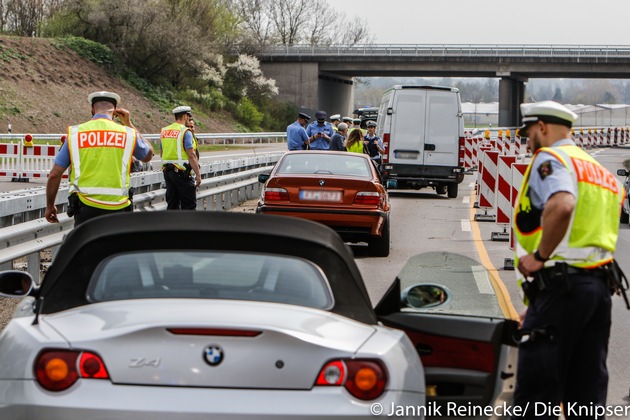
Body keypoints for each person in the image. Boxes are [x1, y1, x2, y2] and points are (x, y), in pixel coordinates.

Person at [511, 100, 625, 419]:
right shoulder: (599, 171)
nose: (527, 139)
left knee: (537, 394)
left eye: (529, 131)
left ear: (542, 127)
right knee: (586, 397)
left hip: (562, 288)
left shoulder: (551, 159)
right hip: (598, 291)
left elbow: (562, 205)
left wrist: (539, 257)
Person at [45, 91, 153, 226]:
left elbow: (55, 174)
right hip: (119, 208)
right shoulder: (128, 134)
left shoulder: (76, 134)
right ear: (115, 112)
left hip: (86, 208)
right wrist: (129, 124)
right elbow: (148, 156)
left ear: (92, 109)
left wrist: (50, 206)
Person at [160, 105, 202, 210]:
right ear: (184, 116)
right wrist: (198, 174)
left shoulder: (164, 131)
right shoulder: (185, 132)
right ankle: (187, 226)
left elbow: (161, 153)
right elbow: (191, 155)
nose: (189, 119)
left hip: (168, 173)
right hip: (182, 174)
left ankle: (173, 226)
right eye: (188, 116)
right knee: (189, 207)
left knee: (172, 205)